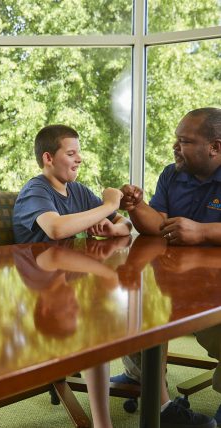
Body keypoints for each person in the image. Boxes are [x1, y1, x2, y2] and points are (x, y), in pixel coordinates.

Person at [13, 124, 132, 428]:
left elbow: (123, 226)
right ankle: (102, 424)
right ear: (48, 158)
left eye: (79, 152)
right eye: (71, 152)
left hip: (70, 271)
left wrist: (112, 226)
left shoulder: (77, 190)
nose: (79, 158)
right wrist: (107, 205)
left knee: (119, 316)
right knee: (95, 336)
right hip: (33, 283)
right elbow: (56, 228)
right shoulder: (35, 190)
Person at [115, 107, 221, 428]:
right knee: (136, 305)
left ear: (215, 147)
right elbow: (157, 223)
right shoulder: (171, 174)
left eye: (185, 141)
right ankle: (161, 404)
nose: (175, 146)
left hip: (214, 290)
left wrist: (202, 231)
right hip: (172, 281)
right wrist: (136, 207)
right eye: (176, 139)